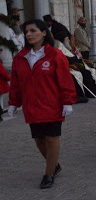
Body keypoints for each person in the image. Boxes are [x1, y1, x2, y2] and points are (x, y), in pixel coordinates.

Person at [7, 19, 76, 188]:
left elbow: (65, 80)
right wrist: (13, 103)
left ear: (44, 33)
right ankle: (54, 165)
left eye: (32, 30)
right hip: (32, 106)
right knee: (39, 140)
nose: (28, 34)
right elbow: (16, 83)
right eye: (26, 32)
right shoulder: (20, 58)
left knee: (52, 138)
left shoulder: (55, 55)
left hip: (52, 105)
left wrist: (67, 101)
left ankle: (49, 174)